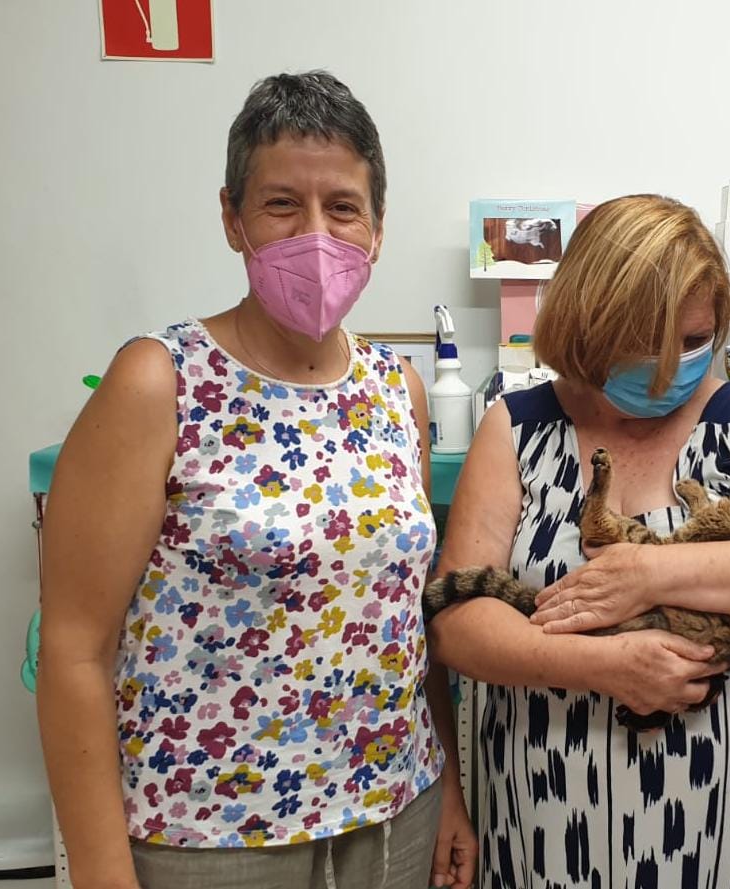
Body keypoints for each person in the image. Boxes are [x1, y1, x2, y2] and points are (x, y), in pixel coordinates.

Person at [36, 71, 476, 889]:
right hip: (211, 836)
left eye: (343, 207)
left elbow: (410, 622)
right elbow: (73, 648)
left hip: (394, 813)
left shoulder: (398, 390)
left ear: (378, 228)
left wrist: (446, 781)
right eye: (281, 205)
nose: (316, 233)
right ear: (232, 217)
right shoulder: (160, 382)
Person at [427, 194, 730, 887]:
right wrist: (602, 666)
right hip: (554, 815)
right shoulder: (516, 429)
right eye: (644, 344)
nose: (669, 369)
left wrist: (652, 575)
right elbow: (455, 625)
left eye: (694, 340)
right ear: (585, 323)